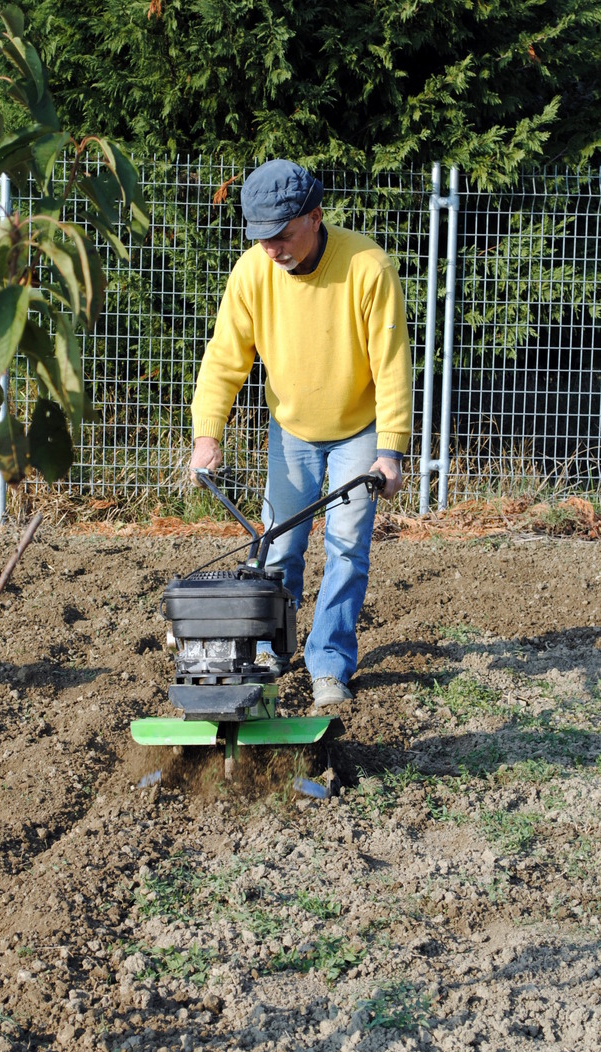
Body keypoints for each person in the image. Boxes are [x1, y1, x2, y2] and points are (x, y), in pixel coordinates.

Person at [189, 159, 413, 710]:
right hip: (291, 430)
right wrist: (206, 435)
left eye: (282, 234)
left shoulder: (366, 266)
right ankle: (269, 649)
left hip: (357, 431)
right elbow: (223, 359)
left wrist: (390, 451)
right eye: (260, 237)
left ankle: (330, 663)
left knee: (345, 549)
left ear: (315, 217)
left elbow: (392, 365)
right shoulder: (250, 274)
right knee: (278, 546)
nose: (272, 248)